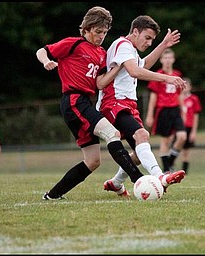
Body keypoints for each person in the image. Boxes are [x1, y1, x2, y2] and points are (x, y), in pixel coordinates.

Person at [36, 6, 146, 201]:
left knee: (93, 161)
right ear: (86, 29)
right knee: (112, 133)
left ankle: (52, 195)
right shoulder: (74, 44)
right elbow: (42, 51)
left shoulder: (102, 53)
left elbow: (101, 82)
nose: (101, 36)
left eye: (104, 32)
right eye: (97, 31)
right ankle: (139, 180)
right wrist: (46, 61)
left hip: (84, 103)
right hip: (74, 101)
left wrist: (120, 66)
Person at [96, 15, 186, 195]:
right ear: (135, 31)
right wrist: (168, 78)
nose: (150, 43)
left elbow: (144, 64)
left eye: (153, 40)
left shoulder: (131, 51)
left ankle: (115, 183)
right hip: (114, 101)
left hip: (127, 104)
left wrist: (163, 45)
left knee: (139, 152)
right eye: (147, 38)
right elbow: (135, 71)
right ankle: (160, 176)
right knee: (141, 135)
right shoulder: (123, 45)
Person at [145, 48, 187, 172]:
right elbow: (153, 97)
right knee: (166, 140)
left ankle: (170, 161)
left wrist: (183, 110)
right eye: (165, 58)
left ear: (173, 59)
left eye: (170, 58)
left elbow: (180, 94)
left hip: (175, 109)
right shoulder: (158, 75)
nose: (168, 61)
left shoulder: (177, 75)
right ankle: (166, 169)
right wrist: (150, 115)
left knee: (182, 136)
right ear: (161, 60)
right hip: (163, 111)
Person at [174, 77, 202, 174]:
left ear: (190, 87)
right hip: (177, 128)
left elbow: (196, 116)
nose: (185, 88)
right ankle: (169, 167)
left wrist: (193, 132)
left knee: (186, 152)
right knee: (174, 148)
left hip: (189, 127)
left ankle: (184, 172)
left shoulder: (194, 99)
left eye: (187, 86)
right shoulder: (177, 99)